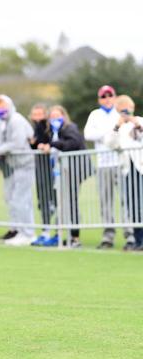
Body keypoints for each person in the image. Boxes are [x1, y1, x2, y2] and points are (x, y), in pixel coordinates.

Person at [84, 85, 135, 250]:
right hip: (103, 163)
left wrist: (107, 132)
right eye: (103, 96)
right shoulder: (95, 114)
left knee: (126, 201)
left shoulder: (119, 113)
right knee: (106, 201)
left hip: (121, 163)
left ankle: (130, 235)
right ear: (99, 99)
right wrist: (109, 131)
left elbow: (126, 132)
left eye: (110, 95)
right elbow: (88, 134)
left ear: (114, 97)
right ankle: (108, 236)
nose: (107, 99)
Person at [34, 105, 86, 247]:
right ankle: (62, 234)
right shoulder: (51, 131)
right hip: (59, 172)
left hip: (72, 171)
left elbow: (73, 143)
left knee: (71, 203)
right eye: (52, 117)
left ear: (64, 116)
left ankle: (74, 237)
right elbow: (40, 139)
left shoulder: (70, 128)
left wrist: (53, 145)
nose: (55, 119)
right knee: (62, 204)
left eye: (58, 116)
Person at [0, 95, 36, 246]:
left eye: (3, 106)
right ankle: (18, 230)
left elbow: (18, 143)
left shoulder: (16, 120)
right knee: (12, 198)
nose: (0, 110)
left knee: (22, 199)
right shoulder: (1, 122)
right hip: (12, 165)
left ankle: (28, 233)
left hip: (25, 164)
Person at [104, 95, 143, 251]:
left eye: (128, 110)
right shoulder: (117, 127)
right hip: (127, 170)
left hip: (141, 168)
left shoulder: (140, 121)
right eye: (122, 111)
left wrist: (138, 125)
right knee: (132, 206)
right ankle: (138, 239)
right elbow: (111, 144)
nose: (126, 113)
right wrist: (117, 127)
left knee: (141, 204)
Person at [28, 103, 56, 245]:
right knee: (43, 200)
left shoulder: (48, 127)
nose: (38, 117)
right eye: (35, 114)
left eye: (41, 114)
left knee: (52, 199)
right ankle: (46, 230)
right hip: (40, 169)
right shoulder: (35, 128)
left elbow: (49, 142)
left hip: (51, 168)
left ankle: (54, 231)